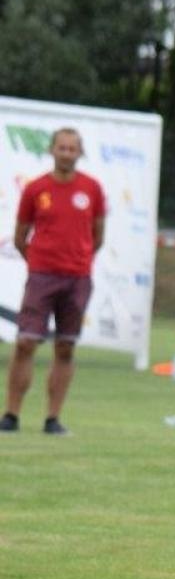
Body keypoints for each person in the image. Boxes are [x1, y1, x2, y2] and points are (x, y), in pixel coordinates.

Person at [3, 126, 105, 436]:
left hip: (77, 279)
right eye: (62, 148)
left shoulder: (91, 189)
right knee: (26, 343)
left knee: (65, 347)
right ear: (51, 150)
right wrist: (38, 263)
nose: (66, 154)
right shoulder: (36, 189)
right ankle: (10, 415)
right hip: (42, 277)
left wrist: (80, 260)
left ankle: (52, 419)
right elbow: (20, 236)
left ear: (80, 153)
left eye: (72, 149)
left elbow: (98, 235)